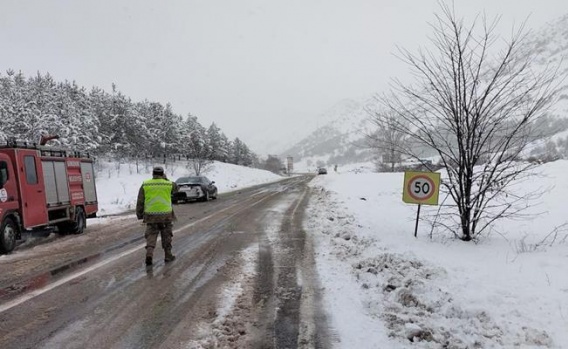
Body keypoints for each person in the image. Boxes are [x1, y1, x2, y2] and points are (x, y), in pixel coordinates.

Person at [136, 166, 178, 266]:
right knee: (166, 235)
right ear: (162, 174)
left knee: (151, 236)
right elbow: (176, 189)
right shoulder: (169, 184)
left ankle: (149, 254)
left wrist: (139, 214)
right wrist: (166, 179)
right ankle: (168, 255)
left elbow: (140, 201)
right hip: (166, 216)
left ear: (153, 174)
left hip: (151, 216)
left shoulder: (146, 184)